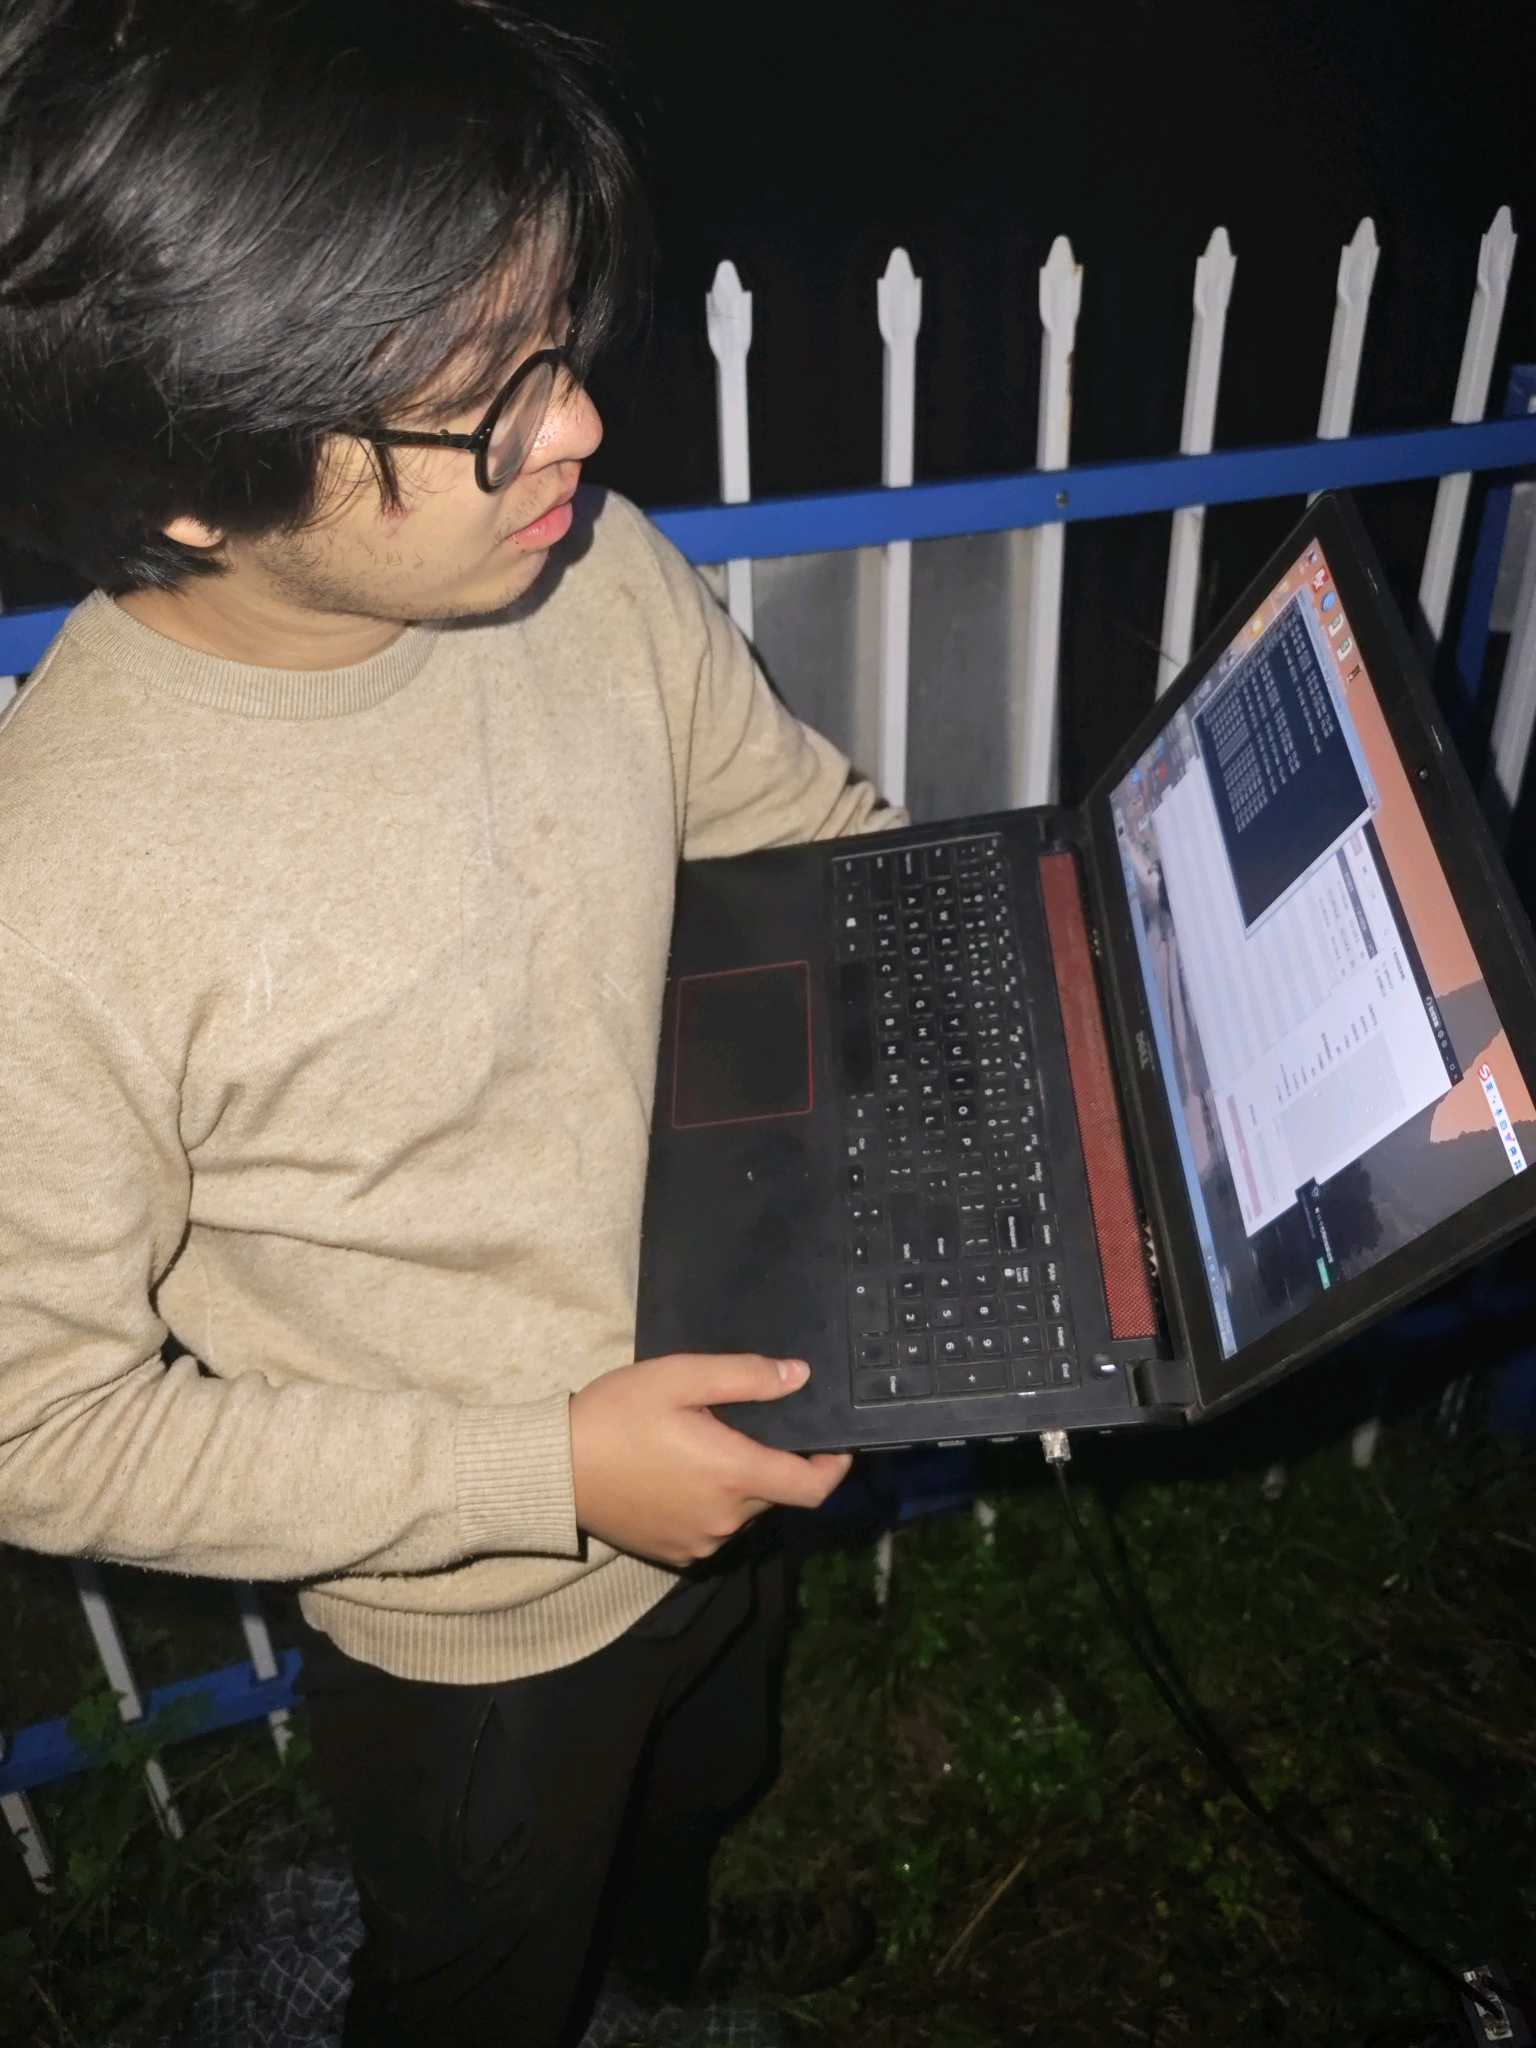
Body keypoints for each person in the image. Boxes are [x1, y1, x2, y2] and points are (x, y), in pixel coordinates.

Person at [0, 3, 902, 2041]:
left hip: (744, 1404)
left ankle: (665, 1977)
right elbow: (32, 1422)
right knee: (482, 1959)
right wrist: (550, 1466)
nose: (573, 430)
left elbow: (802, 836)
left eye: (558, 345)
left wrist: (1040, 1008)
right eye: (481, 398)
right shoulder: (53, 900)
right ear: (194, 479)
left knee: (707, 1779)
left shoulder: (582, 575)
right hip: (480, 1619)